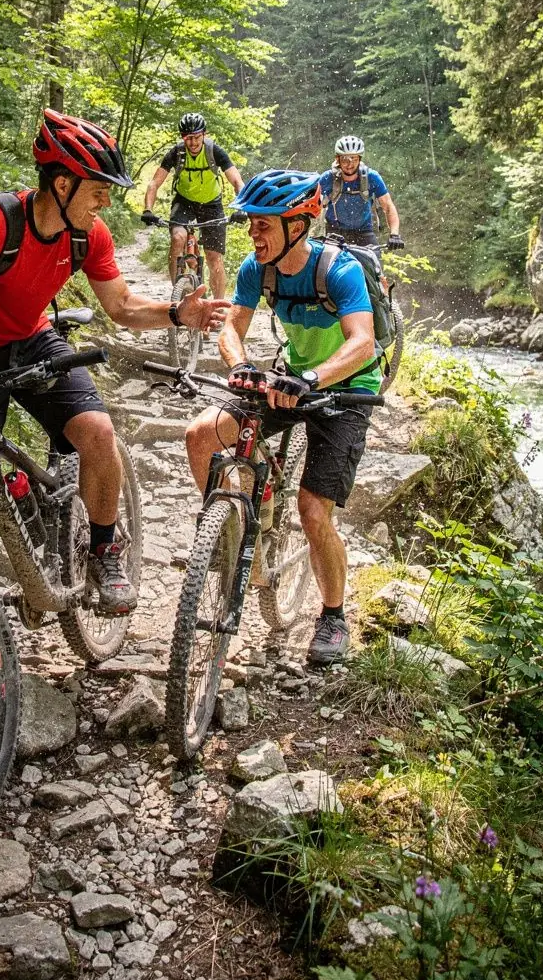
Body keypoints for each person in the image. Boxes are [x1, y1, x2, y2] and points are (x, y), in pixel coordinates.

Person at [0, 110, 229, 616]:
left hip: (33, 338)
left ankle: (103, 550)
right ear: (61, 183)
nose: (105, 202)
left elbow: (119, 306)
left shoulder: (89, 235)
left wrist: (175, 315)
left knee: (98, 433)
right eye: (98, 191)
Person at [184, 169, 380, 667]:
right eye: (252, 224)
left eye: (264, 225)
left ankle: (333, 616)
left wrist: (314, 378)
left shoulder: (338, 271)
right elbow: (232, 328)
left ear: (298, 224)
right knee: (200, 434)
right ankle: (238, 527)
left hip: (347, 389)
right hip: (288, 378)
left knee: (314, 512)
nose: (254, 235)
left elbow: (363, 342)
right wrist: (242, 366)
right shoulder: (256, 268)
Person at [141, 112, 245, 299]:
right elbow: (154, 183)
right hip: (184, 202)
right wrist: (148, 209)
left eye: (197, 137)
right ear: (183, 138)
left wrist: (241, 208)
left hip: (212, 204)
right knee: (177, 239)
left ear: (204, 134)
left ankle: (218, 307)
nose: (193, 142)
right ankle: (177, 293)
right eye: (188, 138)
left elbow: (237, 181)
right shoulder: (177, 153)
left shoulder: (215, 152)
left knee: (214, 259)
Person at [320, 135, 404, 251]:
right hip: (334, 234)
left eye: (354, 159)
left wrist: (394, 234)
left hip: (364, 233)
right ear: (337, 159)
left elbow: (388, 206)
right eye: (345, 159)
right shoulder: (327, 178)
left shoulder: (371, 177)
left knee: (374, 266)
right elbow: (312, 205)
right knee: (326, 266)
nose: (349, 164)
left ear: (360, 159)